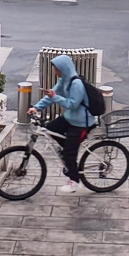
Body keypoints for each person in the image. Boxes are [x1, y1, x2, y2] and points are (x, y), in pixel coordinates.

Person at [31, 54, 94, 192]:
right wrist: (36, 107)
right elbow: (51, 96)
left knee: (69, 153)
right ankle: (68, 150)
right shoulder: (63, 80)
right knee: (50, 128)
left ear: (64, 69)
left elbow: (73, 104)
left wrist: (56, 97)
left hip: (81, 123)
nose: (55, 72)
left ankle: (74, 181)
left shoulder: (76, 84)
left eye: (57, 69)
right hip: (69, 118)